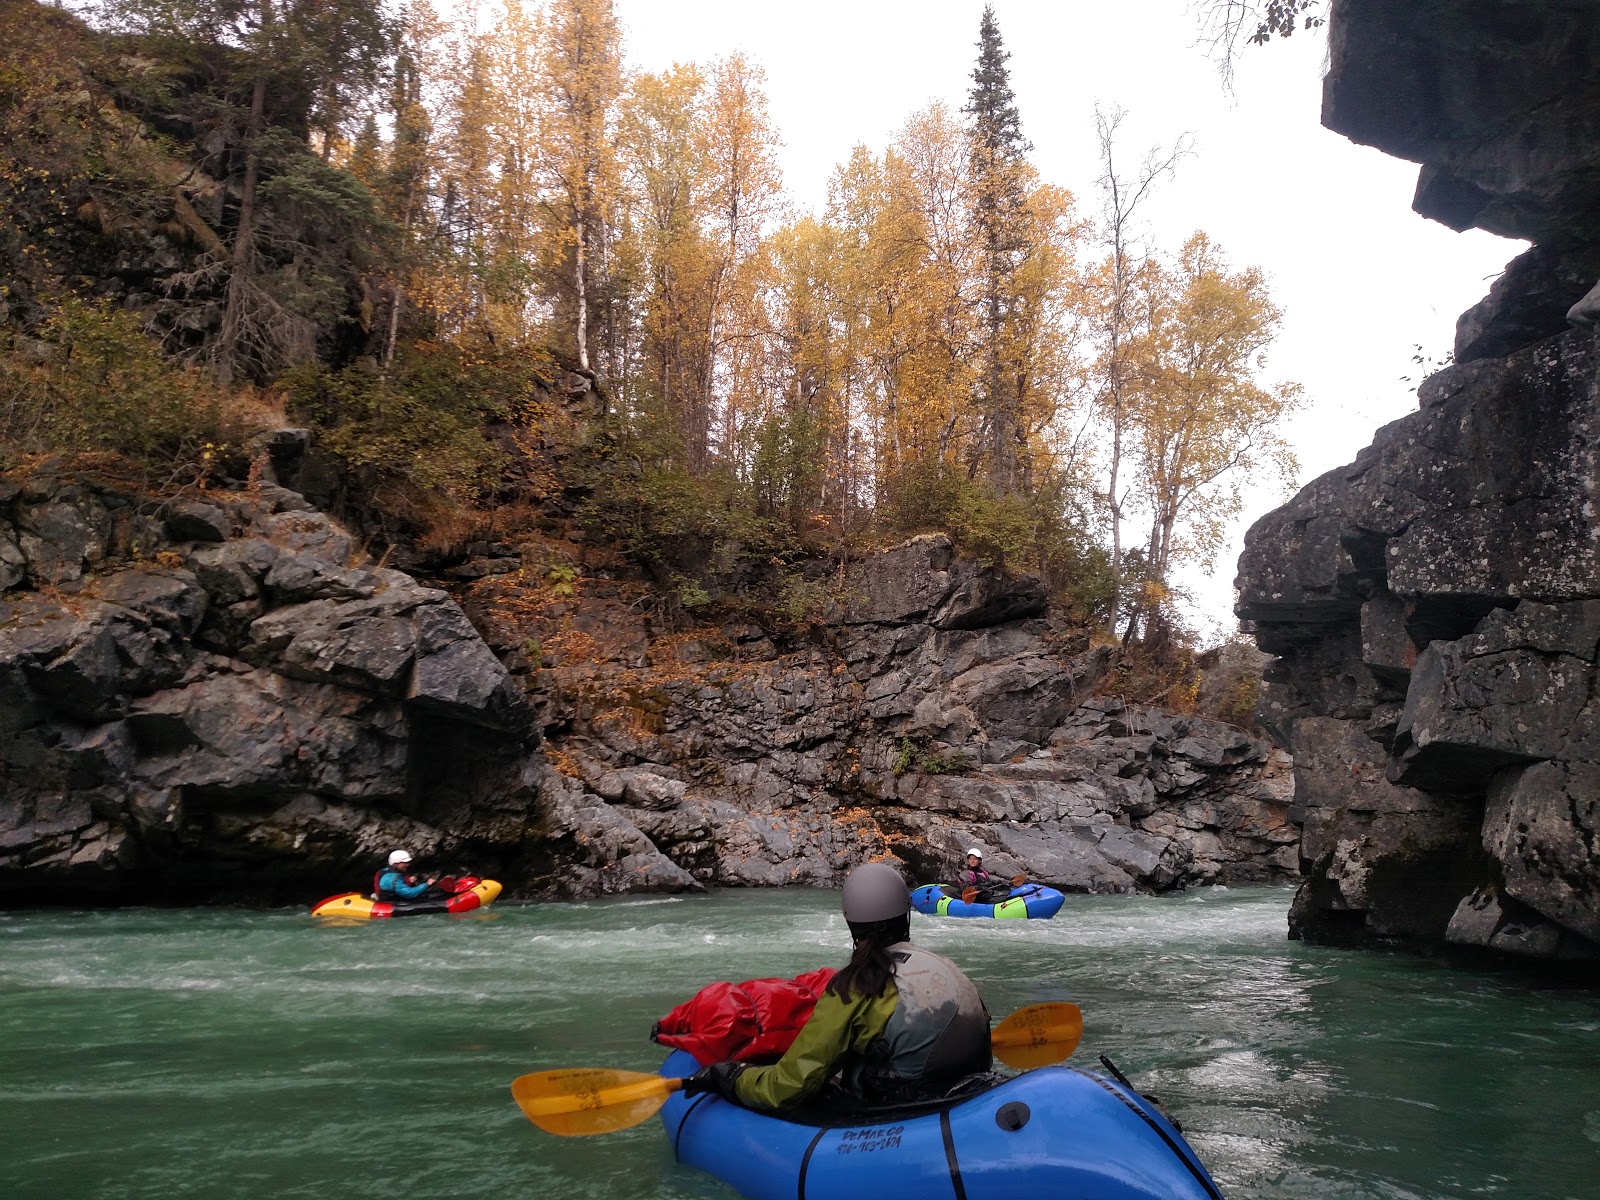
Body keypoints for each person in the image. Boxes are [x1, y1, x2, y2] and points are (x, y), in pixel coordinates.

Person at [683, 862, 991, 1111]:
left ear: (851, 922)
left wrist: (733, 1077)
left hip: (904, 1107)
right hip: (967, 1095)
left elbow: (787, 1087)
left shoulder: (854, 986)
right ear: (905, 915)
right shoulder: (946, 966)